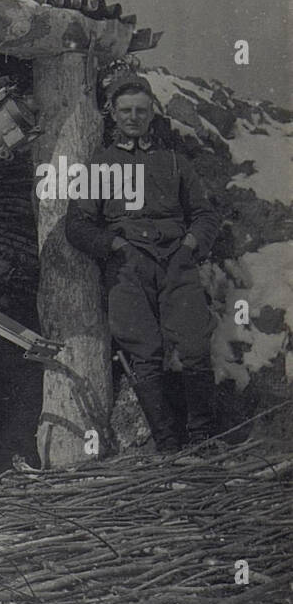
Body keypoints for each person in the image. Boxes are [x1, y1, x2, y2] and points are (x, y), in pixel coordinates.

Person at [66, 72, 221, 452]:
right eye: (125, 111)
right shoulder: (100, 165)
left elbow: (205, 214)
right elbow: (77, 225)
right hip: (128, 266)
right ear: (113, 115)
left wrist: (189, 245)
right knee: (143, 353)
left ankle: (202, 438)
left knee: (195, 347)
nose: (133, 117)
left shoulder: (174, 162)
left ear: (152, 113)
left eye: (141, 110)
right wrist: (114, 244)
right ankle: (168, 444)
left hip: (177, 262)